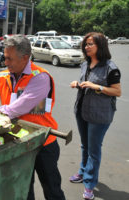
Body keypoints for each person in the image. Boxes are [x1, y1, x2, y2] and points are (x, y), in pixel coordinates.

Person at [0, 35, 65, 200]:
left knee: (52, 188)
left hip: (43, 143)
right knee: (24, 187)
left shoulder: (39, 77)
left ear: (25, 57)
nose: (6, 62)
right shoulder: (4, 75)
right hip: (19, 142)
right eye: (5, 57)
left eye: (10, 59)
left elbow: (16, 108)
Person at [69, 32, 121, 200]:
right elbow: (86, 85)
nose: (87, 47)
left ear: (101, 46)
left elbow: (117, 91)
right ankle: (83, 172)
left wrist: (96, 86)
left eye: (90, 44)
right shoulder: (85, 64)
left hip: (99, 115)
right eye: (86, 44)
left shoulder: (111, 68)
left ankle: (89, 185)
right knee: (85, 145)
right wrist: (78, 84)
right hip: (82, 110)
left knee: (94, 150)